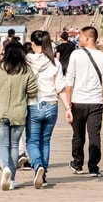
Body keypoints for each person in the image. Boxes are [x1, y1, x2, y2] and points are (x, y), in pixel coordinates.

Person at [63, 25, 103, 177]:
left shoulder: (76, 55)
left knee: (78, 135)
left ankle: (78, 164)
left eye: (80, 36)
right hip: (97, 102)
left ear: (87, 38)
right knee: (94, 135)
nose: (78, 39)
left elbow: (69, 80)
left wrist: (68, 103)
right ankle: (93, 167)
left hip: (78, 101)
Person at [0, 41, 38, 191]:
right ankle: (13, 179)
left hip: (0, 112)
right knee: (15, 146)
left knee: (3, 145)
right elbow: (33, 91)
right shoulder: (26, 70)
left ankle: (5, 169)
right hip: (19, 112)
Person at [26, 29, 71, 189]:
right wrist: (68, 108)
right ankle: (43, 176)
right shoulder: (55, 63)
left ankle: (37, 165)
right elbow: (61, 88)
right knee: (45, 141)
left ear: (32, 43)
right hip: (52, 105)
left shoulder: (27, 61)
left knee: (32, 140)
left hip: (33, 105)